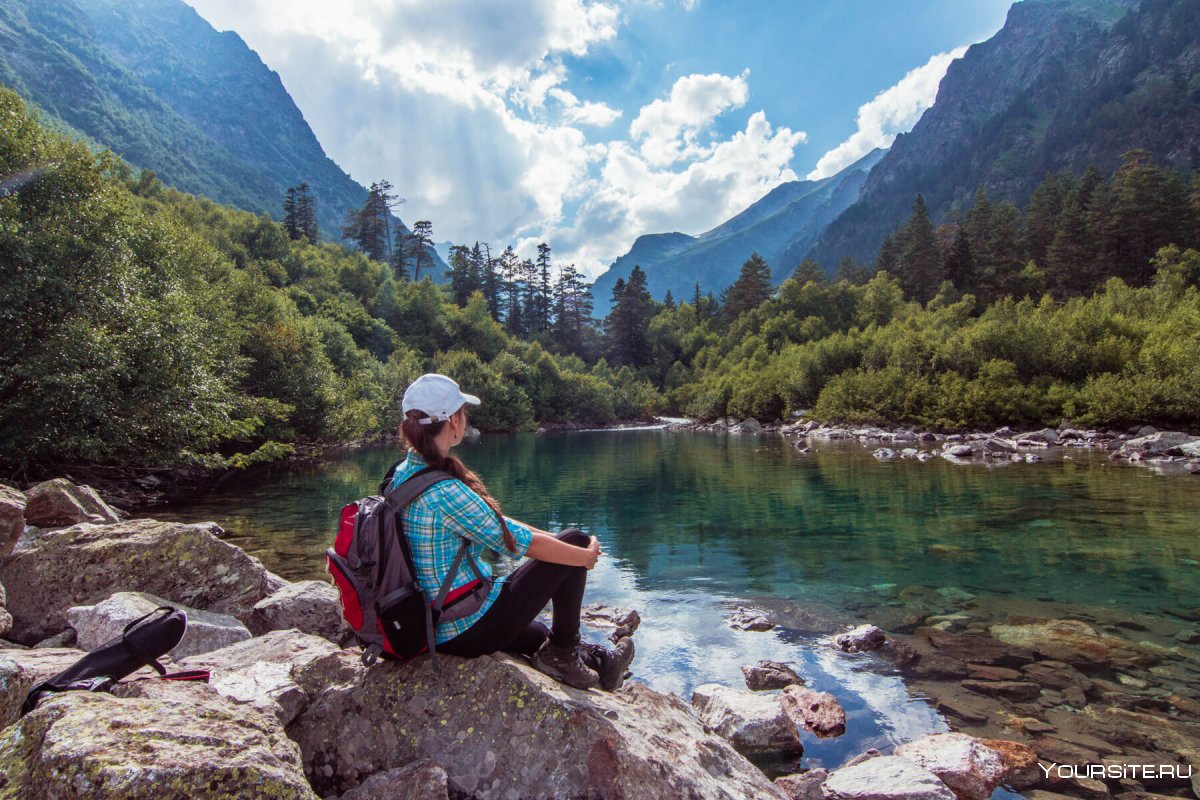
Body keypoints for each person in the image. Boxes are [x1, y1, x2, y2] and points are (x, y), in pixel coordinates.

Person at [391, 373, 635, 690]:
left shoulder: (404, 473)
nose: (465, 419)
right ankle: (561, 656)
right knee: (573, 540)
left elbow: (498, 524)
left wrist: (556, 543)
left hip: (431, 620)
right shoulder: (445, 491)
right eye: (464, 413)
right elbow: (516, 541)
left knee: (538, 635)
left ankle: (599, 660)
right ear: (453, 420)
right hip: (460, 628)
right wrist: (582, 556)